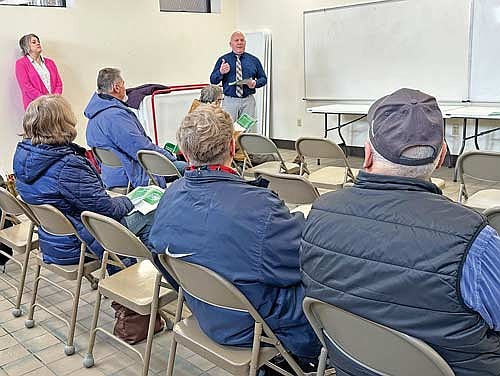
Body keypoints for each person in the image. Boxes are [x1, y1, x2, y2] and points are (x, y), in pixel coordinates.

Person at [300, 88, 500, 376]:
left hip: (353, 365)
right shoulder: (475, 240)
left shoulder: (320, 213)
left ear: (367, 154)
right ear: (442, 156)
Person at [149, 105, 321, 369]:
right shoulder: (259, 208)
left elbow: (164, 264)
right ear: (232, 147)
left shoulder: (169, 198)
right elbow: (303, 261)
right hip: (256, 326)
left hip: (206, 312)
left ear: (184, 152)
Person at [13, 95, 153, 271]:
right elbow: (107, 209)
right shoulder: (67, 165)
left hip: (55, 242)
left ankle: (129, 277)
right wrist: (129, 200)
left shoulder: (24, 157)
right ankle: (147, 281)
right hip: (81, 244)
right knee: (151, 214)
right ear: (63, 123)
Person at [85, 68, 185, 189]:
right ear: (116, 87)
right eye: (123, 84)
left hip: (112, 176)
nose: (124, 88)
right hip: (132, 175)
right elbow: (141, 148)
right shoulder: (115, 116)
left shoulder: (94, 115)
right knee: (188, 168)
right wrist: (170, 155)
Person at [210, 31, 267, 122]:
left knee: (247, 130)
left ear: (245, 43)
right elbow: (213, 80)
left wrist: (255, 83)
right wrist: (221, 72)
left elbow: (263, 79)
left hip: (248, 102)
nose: (239, 42)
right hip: (230, 102)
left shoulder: (254, 60)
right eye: (236, 40)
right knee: (229, 129)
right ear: (230, 44)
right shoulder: (223, 60)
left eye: (242, 40)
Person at [15, 34, 63, 110]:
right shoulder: (21, 63)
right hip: (35, 106)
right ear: (26, 46)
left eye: (38, 42)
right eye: (34, 42)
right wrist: (44, 100)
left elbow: (59, 83)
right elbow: (26, 86)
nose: (38, 43)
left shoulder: (50, 62)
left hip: (53, 105)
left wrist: (54, 99)